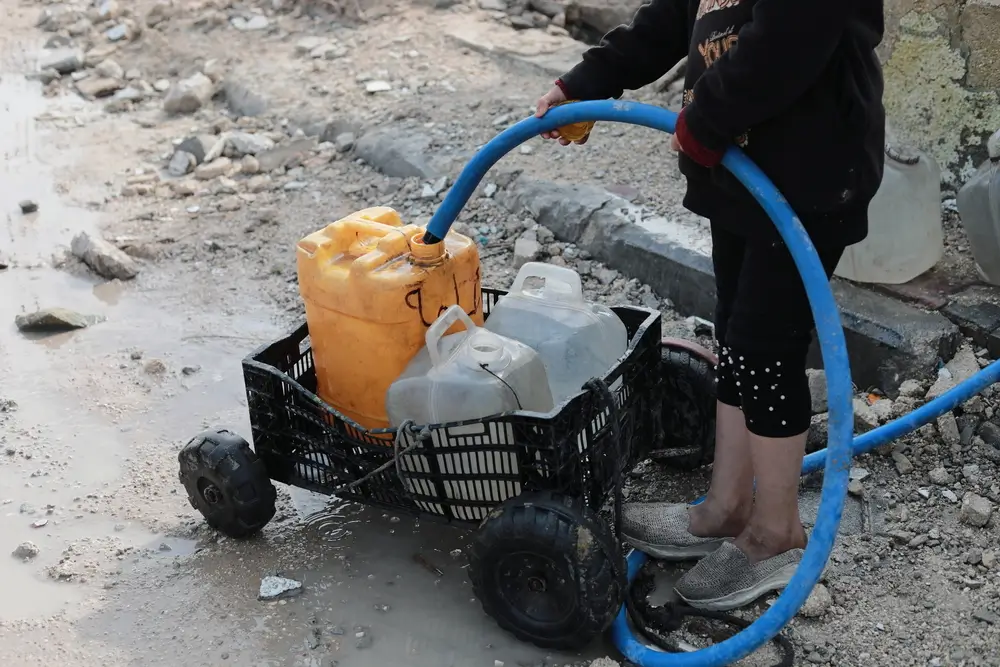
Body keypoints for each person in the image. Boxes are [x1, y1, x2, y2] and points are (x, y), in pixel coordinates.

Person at [535, 0, 886, 611]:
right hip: (738, 167)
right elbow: (672, 16)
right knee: (736, 334)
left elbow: (792, 36)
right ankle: (725, 508)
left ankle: (776, 532)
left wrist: (706, 119)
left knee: (765, 346)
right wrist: (586, 81)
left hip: (807, 171)